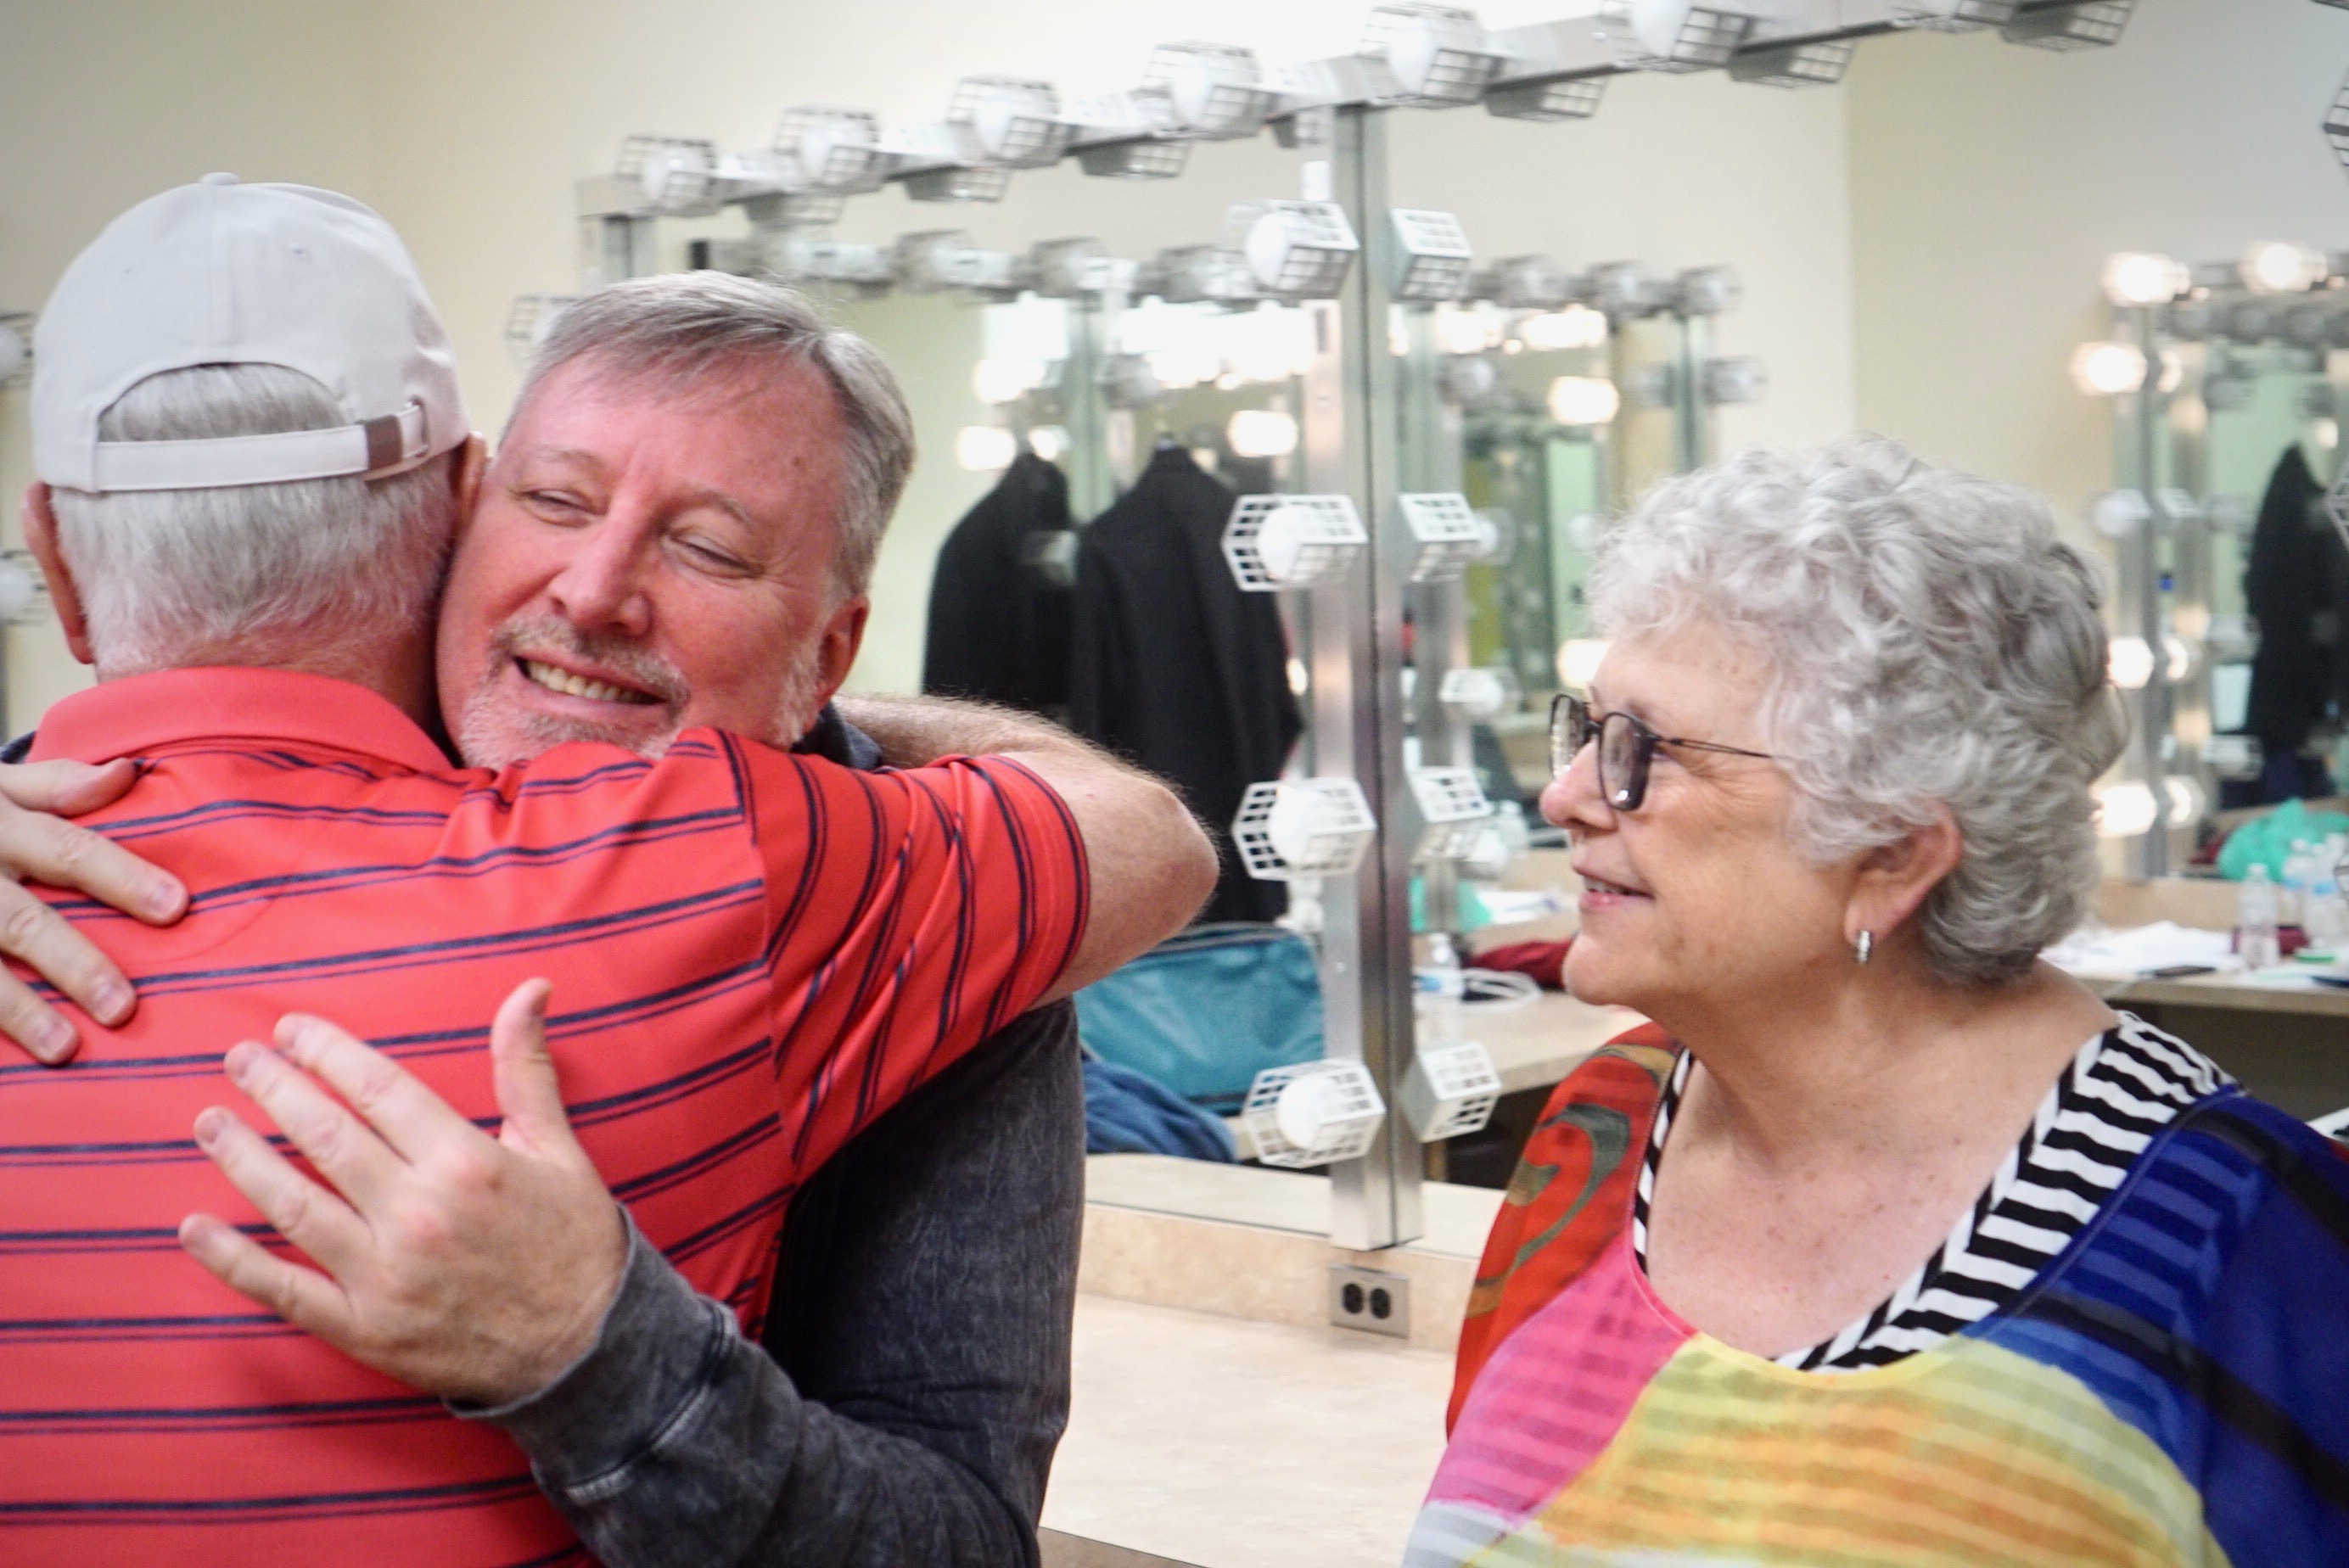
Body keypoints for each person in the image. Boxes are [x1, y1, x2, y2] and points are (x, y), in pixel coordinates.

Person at [0, 176, 1216, 1568]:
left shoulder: (912, 933)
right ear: (458, 519)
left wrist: (605, 1355)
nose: (591, 592)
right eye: (555, 501)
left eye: (709, 548)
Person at [1410, 444, 2349, 1567]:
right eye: (1588, 730)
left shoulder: (2244, 1242)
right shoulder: (1600, 1128)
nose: (1564, 798)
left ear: (1894, 857)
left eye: (1644, 753)